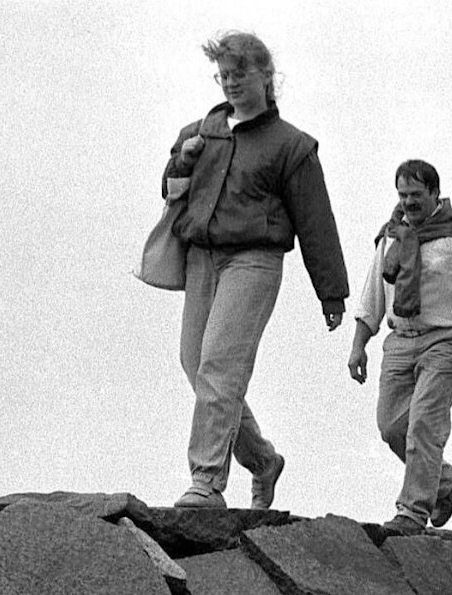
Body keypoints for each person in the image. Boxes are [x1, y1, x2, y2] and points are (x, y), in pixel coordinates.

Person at [163, 31, 348, 510]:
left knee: (221, 366)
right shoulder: (201, 132)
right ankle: (263, 461)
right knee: (196, 365)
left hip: (255, 260)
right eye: (223, 75)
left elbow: (316, 220)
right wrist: (181, 161)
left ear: (266, 77)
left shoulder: (292, 146)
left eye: (240, 74)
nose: (230, 83)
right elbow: (169, 190)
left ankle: (205, 481)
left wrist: (332, 293)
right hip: (202, 257)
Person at [347, 160, 452, 536]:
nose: (408, 202)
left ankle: (411, 512)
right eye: (402, 195)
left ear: (433, 193)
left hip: (447, 341)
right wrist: (359, 344)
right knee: (393, 427)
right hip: (400, 341)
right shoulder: (390, 238)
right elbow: (373, 295)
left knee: (424, 424)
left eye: (416, 194)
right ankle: (443, 481)